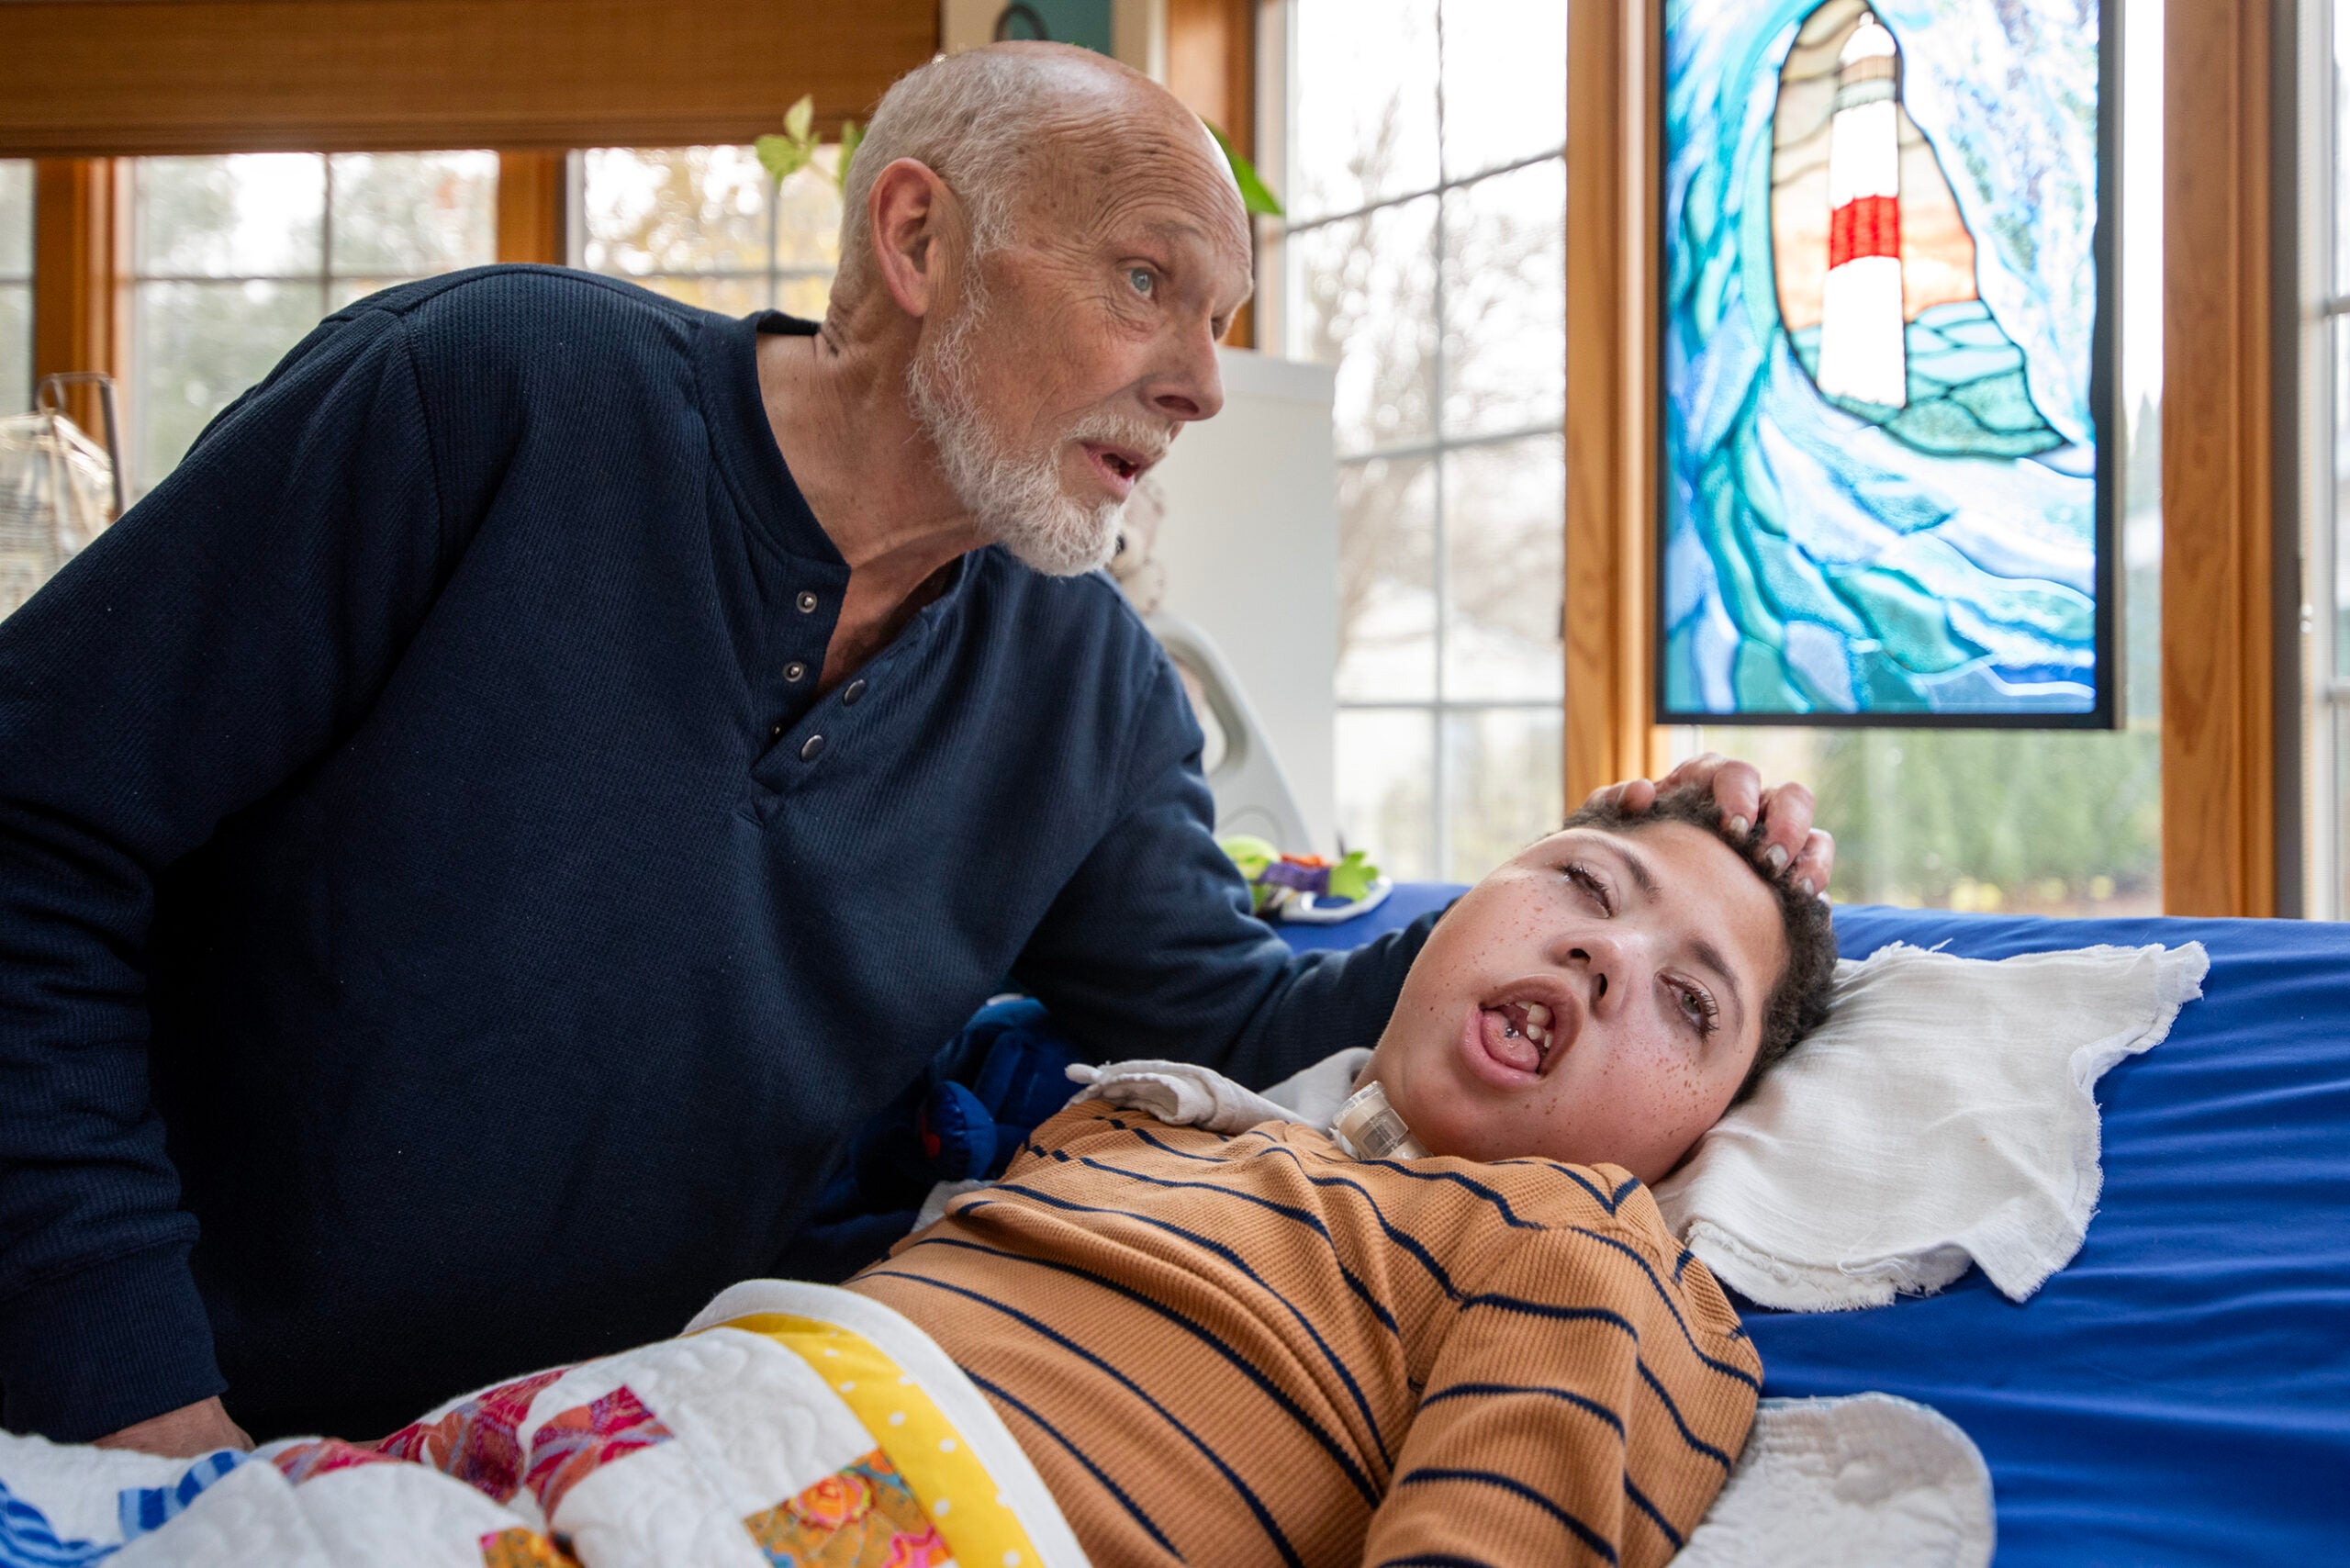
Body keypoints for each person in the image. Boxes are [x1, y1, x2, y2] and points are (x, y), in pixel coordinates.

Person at [0, 39, 1833, 1457]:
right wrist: (139, 1394)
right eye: (1147, 282)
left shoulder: (1090, 693)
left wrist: (1610, 873)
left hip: (545, 1477)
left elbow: (1244, 1026)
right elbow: (33, 835)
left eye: (1221, 322)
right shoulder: (489, 393)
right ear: (916, 235)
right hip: (116, 1405)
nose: (1201, 379)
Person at [849, 784, 1837, 1566]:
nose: (1606, 948)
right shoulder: (1134, 1111)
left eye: (1691, 1001)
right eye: (1584, 881)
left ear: (1703, 1135)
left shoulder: (1573, 1242)